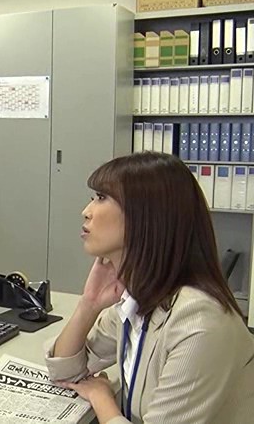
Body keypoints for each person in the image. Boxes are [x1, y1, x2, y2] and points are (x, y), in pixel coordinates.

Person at [46, 152, 254, 424]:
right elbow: (64, 371)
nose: (86, 211)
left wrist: (102, 398)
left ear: (144, 216)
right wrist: (89, 304)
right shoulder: (140, 299)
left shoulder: (198, 322)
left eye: (101, 197)